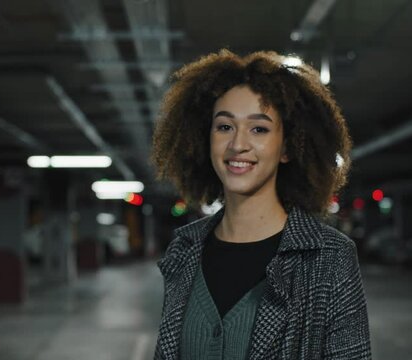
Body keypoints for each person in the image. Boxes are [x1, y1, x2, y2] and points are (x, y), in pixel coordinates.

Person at [150, 50, 371, 360]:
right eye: (224, 127)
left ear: (287, 148)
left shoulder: (329, 257)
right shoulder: (185, 249)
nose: (238, 144)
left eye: (259, 129)